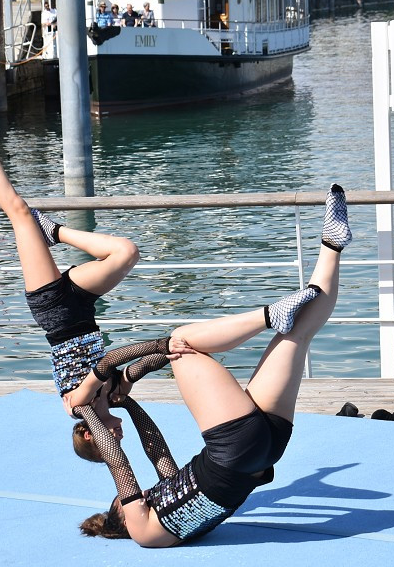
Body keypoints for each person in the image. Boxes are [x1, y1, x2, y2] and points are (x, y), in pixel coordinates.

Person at [71, 185, 353, 546]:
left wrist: (129, 402)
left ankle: (332, 246)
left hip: (263, 450)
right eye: (126, 501)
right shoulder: (143, 532)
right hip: (233, 451)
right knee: (183, 342)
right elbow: (118, 464)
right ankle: (267, 316)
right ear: (121, 518)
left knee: (298, 334)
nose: (136, 493)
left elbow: (155, 448)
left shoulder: (166, 515)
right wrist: (87, 411)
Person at [0, 83, 143, 428]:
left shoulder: (77, 406)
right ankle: (54, 231)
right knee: (126, 251)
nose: (119, 432)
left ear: (91, 437)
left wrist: (127, 374)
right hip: (83, 309)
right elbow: (137, 364)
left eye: (114, 438)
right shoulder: (115, 393)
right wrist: (158, 360)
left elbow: (105, 365)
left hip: (56, 311)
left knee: (18, 211)